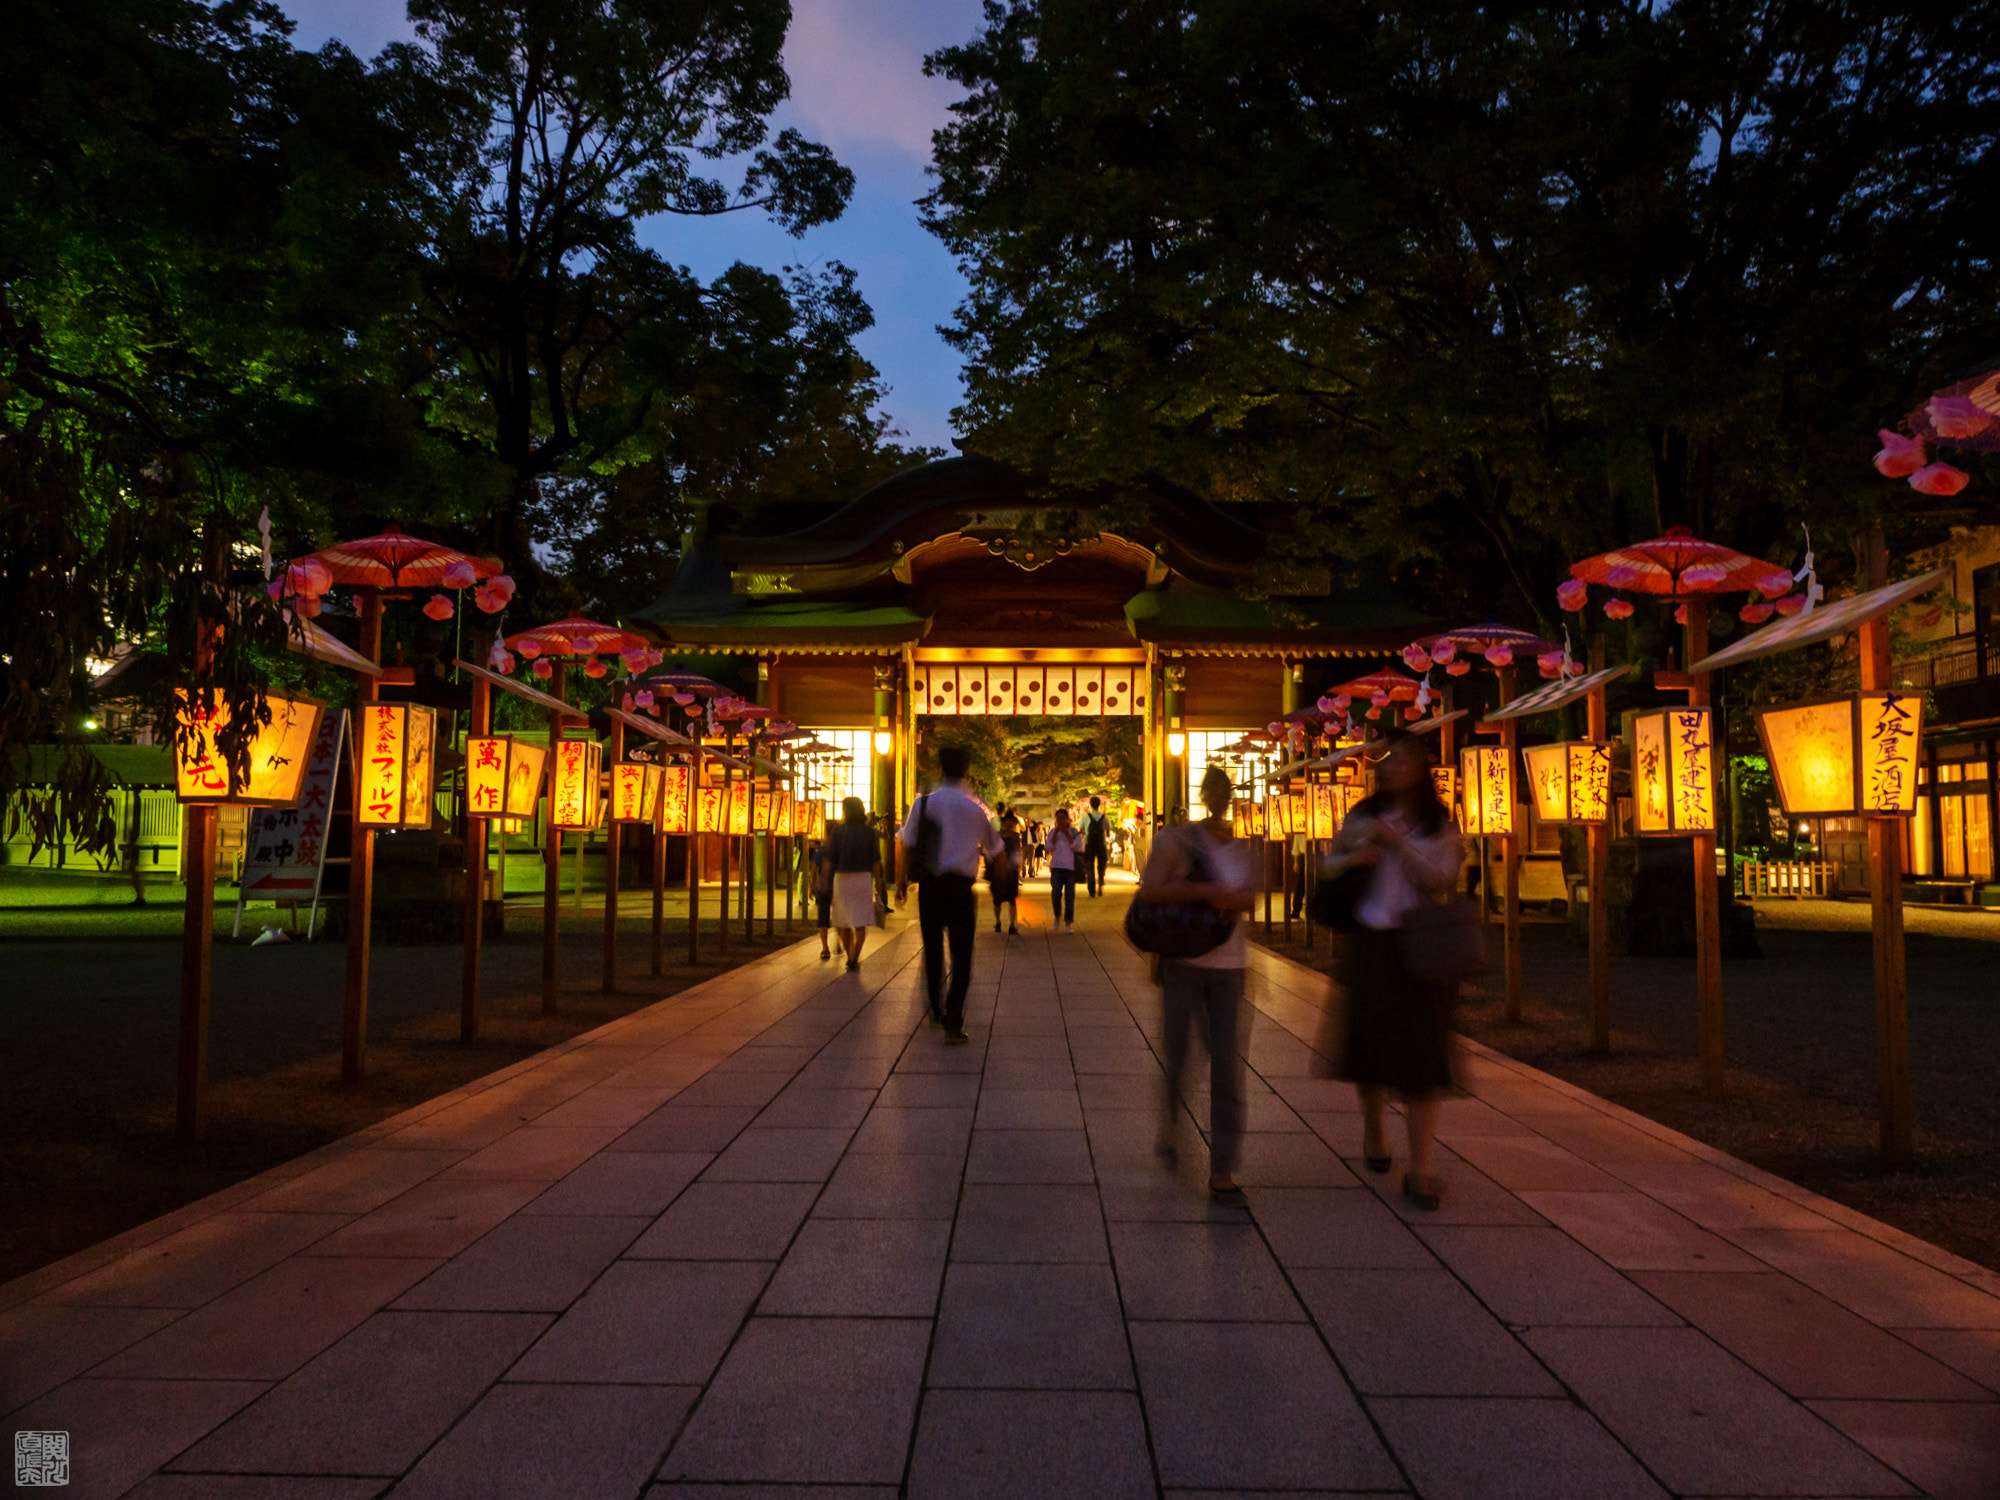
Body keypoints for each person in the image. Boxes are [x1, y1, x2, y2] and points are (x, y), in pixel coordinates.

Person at [1320, 729, 1466, 1210]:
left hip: (1420, 947)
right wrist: (1353, 856)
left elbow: (1444, 876)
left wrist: (1399, 845)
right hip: (1369, 943)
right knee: (1369, 1046)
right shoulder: (1362, 814)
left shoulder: (1436, 820)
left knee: (1424, 1057)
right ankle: (1373, 1129)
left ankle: (1420, 1168)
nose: (1388, 764)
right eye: (1384, 757)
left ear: (1420, 765)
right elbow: (1328, 864)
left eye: (1399, 756)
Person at [1138, 766, 1259, 1205]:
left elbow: (1251, 896)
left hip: (1230, 966)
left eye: (1225, 790)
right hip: (1182, 961)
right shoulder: (1177, 839)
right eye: (1213, 790)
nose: (1219, 797)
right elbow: (1149, 891)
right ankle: (1171, 1124)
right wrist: (1204, 889)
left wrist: (1233, 898)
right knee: (1177, 1053)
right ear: (1203, 794)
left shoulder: (1248, 842)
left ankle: (1222, 1166)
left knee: (1226, 1063)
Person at [901, 745, 1003, 1042]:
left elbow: (907, 844)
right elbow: (996, 849)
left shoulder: (922, 804)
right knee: (961, 955)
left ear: (940, 767)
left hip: (930, 887)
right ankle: (954, 1017)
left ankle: (936, 1009)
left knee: (932, 949)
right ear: (965, 770)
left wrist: (900, 883)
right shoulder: (974, 808)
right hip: (960, 888)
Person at [825, 796, 882, 971]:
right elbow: (876, 861)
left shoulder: (837, 832)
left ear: (846, 811)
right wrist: (878, 885)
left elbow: (830, 859)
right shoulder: (869, 832)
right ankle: (855, 956)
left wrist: (825, 881)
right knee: (860, 923)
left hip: (842, 880)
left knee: (843, 922)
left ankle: (849, 956)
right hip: (863, 879)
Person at [1045, 806, 1085, 932]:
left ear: (1067, 819)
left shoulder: (1073, 831)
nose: (1060, 820)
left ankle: (1068, 922)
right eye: (1058, 818)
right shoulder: (1053, 832)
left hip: (1069, 868)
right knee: (1055, 894)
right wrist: (1056, 832)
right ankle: (1057, 917)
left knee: (1070, 896)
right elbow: (1048, 847)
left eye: (1062, 818)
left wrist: (1067, 834)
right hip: (1056, 867)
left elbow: (1078, 847)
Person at [991, 806, 1023, 934]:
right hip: (1007, 868)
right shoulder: (1013, 835)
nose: (1011, 823)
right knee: (1007, 898)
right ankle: (1006, 924)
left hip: (1001, 869)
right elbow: (1016, 852)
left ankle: (1003, 923)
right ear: (1004, 822)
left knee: (1003, 899)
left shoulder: (999, 835)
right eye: (1009, 821)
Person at [811, 835, 835, 960]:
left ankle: (825, 948)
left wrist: (811, 886)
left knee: (823, 918)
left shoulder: (820, 850)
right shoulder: (839, 849)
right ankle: (839, 942)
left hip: (823, 888)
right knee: (840, 916)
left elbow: (814, 869)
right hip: (837, 887)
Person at [1083, 795, 1111, 895]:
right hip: (1100, 844)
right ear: (1099, 805)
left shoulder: (1086, 817)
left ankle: (1091, 889)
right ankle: (1101, 879)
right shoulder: (1104, 817)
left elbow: (1081, 830)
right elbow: (1107, 833)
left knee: (1089, 865)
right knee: (1102, 863)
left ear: (1090, 805)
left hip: (1089, 844)